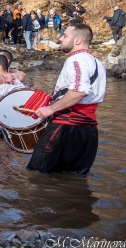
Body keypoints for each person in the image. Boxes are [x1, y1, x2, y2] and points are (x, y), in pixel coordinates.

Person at [29, 24, 106, 175]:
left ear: (77, 40)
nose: (60, 38)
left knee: (37, 174)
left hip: (66, 127)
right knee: (73, 178)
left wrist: (50, 109)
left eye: (65, 36)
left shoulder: (76, 60)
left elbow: (79, 91)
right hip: (89, 131)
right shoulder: (97, 62)